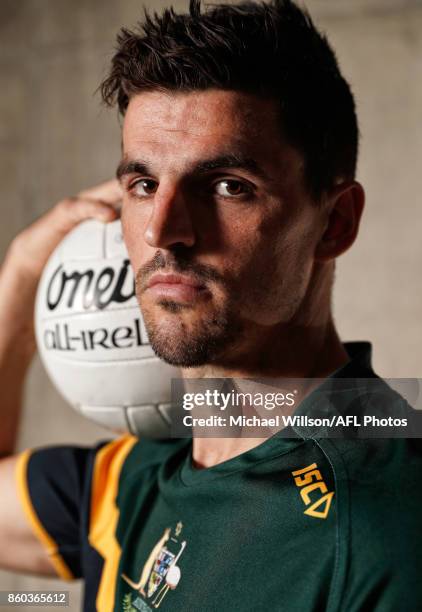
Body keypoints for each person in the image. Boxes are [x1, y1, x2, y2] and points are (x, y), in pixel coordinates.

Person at [0, 0, 421, 610]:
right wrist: (21, 270)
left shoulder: (385, 528)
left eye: (228, 186)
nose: (162, 230)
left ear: (335, 223)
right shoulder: (132, 476)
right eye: (143, 185)